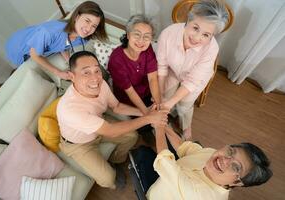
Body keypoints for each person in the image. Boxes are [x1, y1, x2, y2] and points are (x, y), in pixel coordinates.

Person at [57, 51, 168, 189]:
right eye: (86, 73)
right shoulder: (70, 109)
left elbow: (116, 106)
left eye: (97, 70)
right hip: (79, 144)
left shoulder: (100, 83)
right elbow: (110, 131)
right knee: (108, 179)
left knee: (132, 136)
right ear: (72, 76)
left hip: (99, 125)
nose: (95, 78)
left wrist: (145, 112)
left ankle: (115, 160)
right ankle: (110, 172)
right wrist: (149, 118)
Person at [157, 0, 230, 139]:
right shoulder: (168, 34)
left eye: (206, 35)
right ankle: (167, 116)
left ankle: (186, 126)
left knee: (185, 104)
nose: (197, 38)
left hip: (196, 79)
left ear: (212, 35)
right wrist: (160, 93)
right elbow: (162, 66)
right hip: (173, 71)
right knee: (165, 95)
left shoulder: (212, 49)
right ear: (188, 21)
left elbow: (192, 81)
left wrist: (170, 103)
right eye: (195, 28)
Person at [144, 126, 273, 200]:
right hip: (161, 180)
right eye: (230, 151)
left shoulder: (202, 196)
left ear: (237, 182)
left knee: (141, 154)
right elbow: (186, 147)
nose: (225, 159)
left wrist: (159, 127)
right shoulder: (212, 154)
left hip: (156, 196)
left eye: (235, 167)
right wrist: (165, 124)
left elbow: (165, 162)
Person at [5, 1, 107, 80]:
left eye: (94, 26)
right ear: (77, 16)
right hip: (18, 45)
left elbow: (63, 45)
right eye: (87, 21)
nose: (88, 29)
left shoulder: (82, 38)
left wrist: (70, 62)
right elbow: (34, 55)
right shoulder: (48, 32)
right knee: (21, 68)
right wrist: (58, 72)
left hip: (36, 40)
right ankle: (13, 73)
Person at [108, 14, 160, 115]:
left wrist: (158, 105)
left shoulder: (147, 49)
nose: (141, 40)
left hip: (146, 94)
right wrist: (146, 113)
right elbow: (130, 91)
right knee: (145, 127)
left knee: (160, 119)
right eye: (137, 34)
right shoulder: (116, 59)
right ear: (128, 35)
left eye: (146, 36)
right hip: (128, 100)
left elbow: (153, 79)